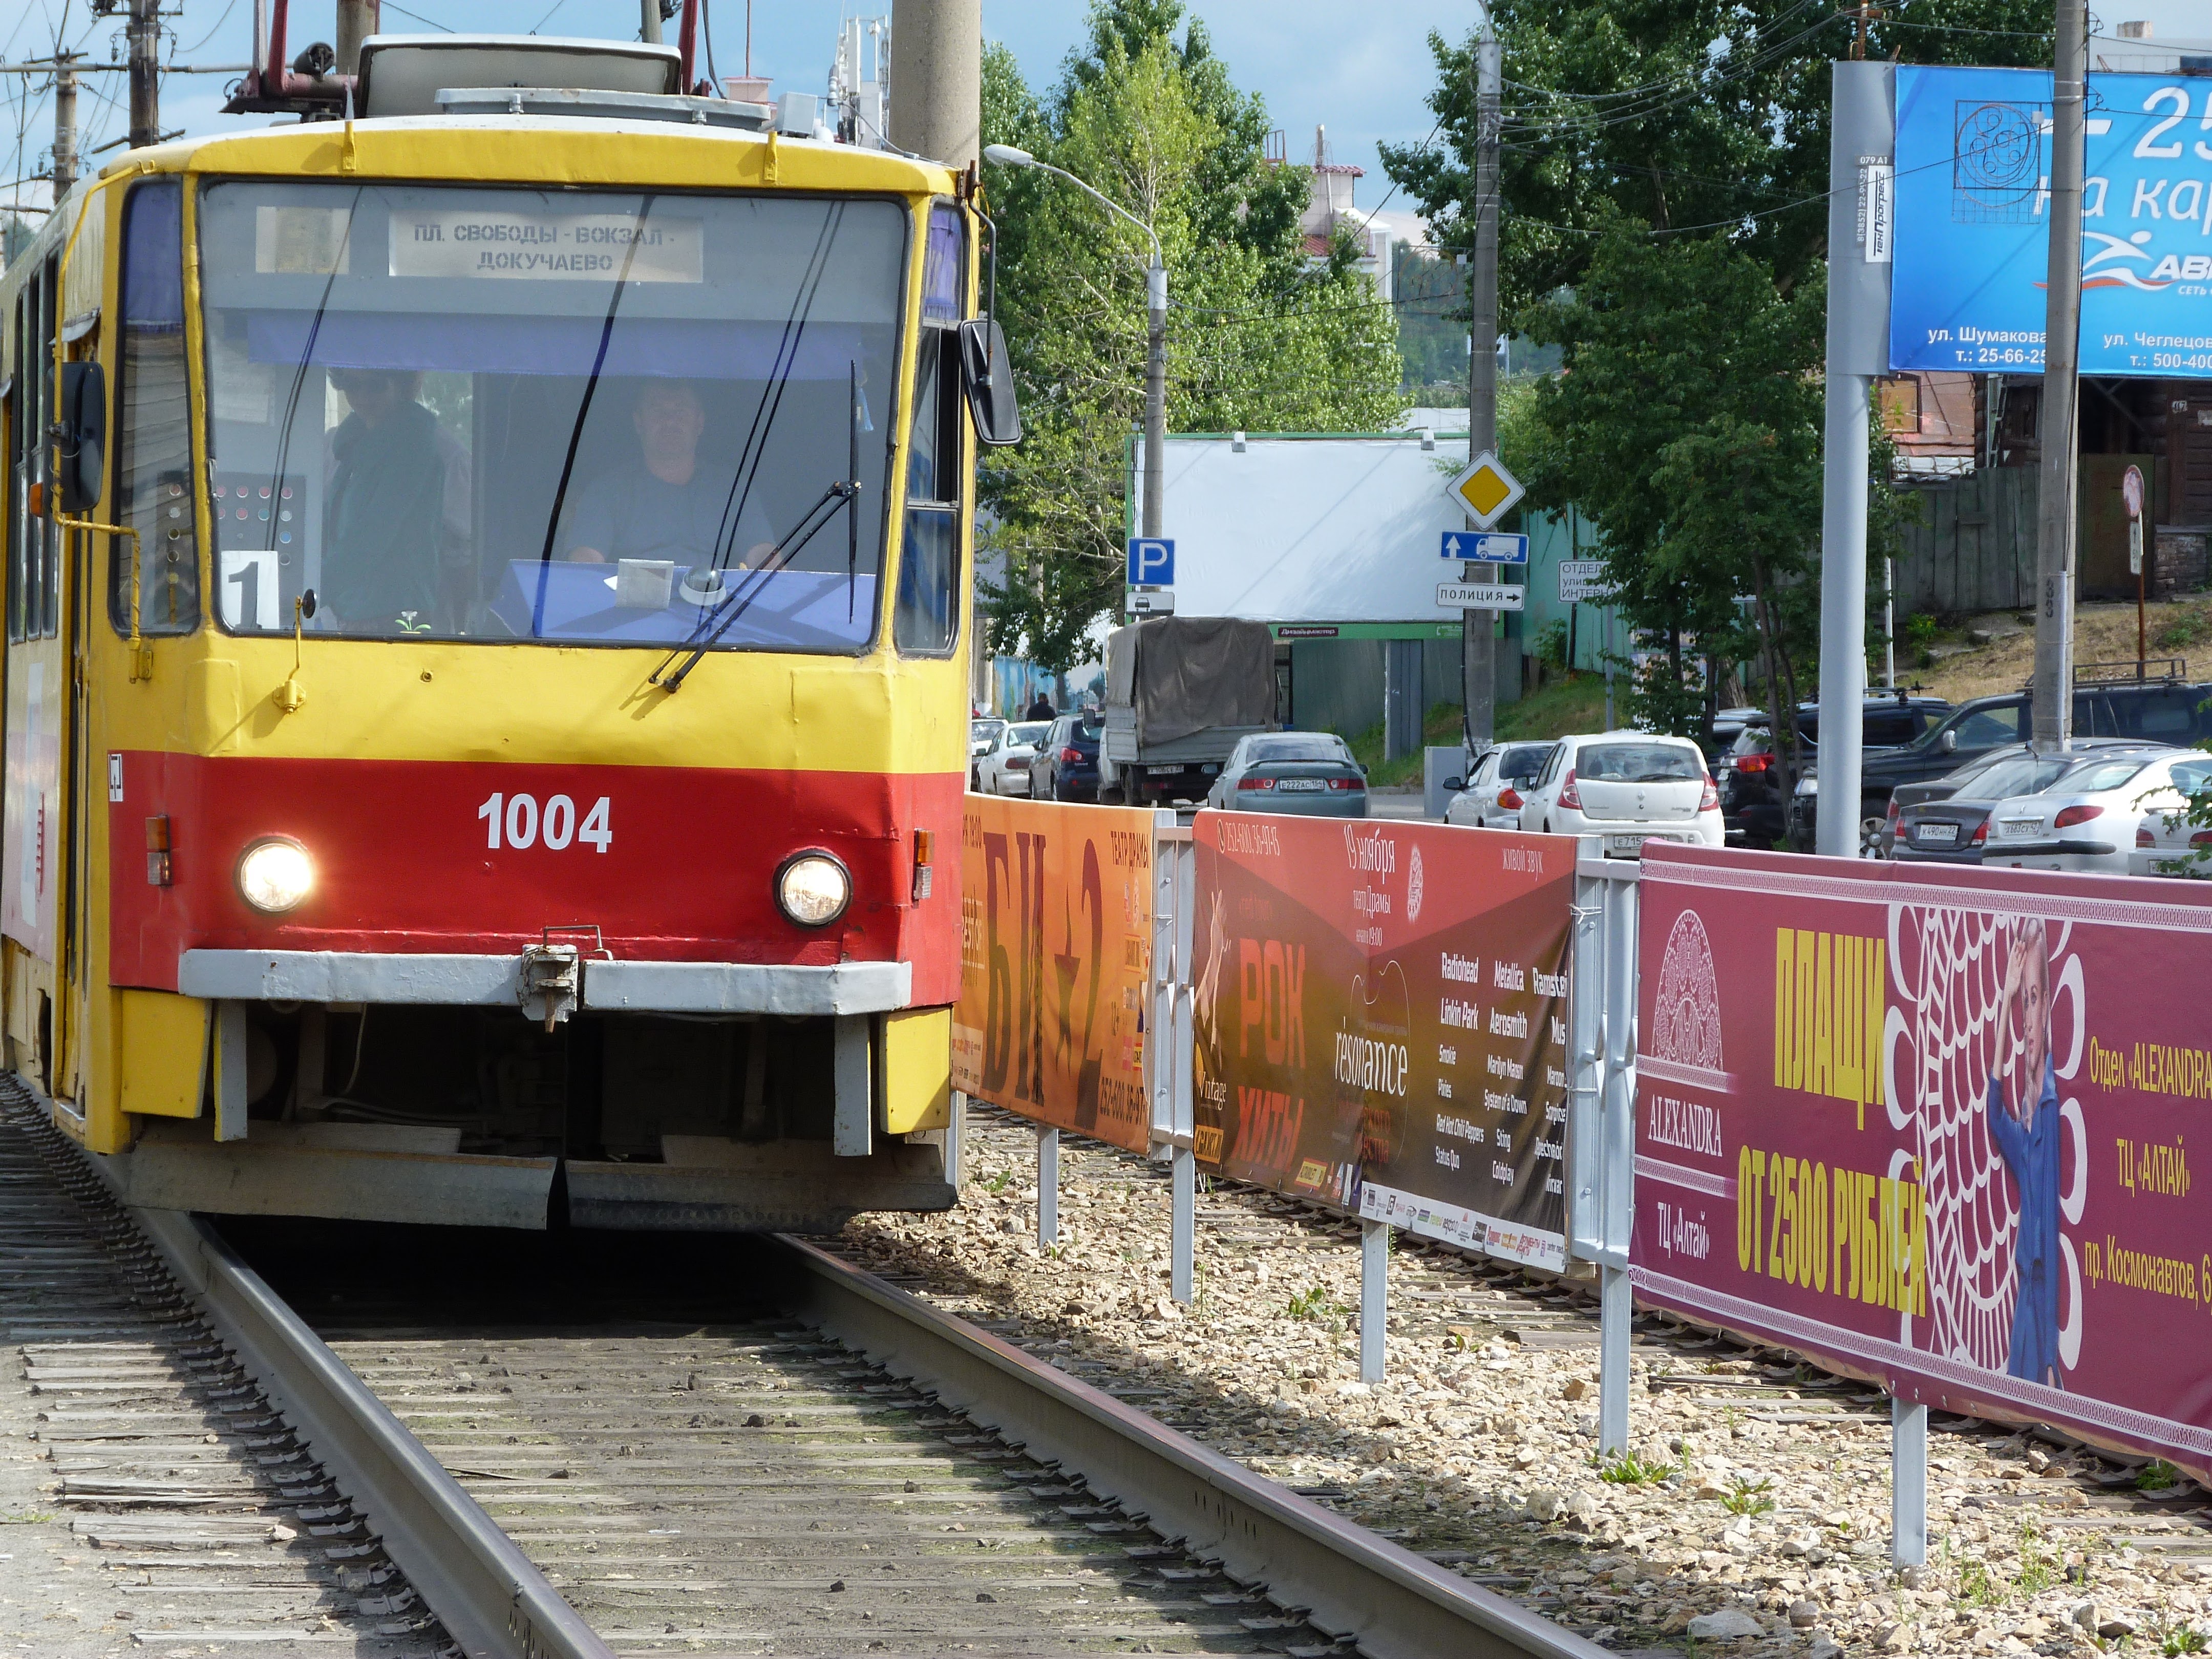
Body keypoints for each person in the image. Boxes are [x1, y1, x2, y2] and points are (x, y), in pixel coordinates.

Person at [563, 381, 775, 572]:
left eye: (681, 411)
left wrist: (779, 583)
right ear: (639, 423)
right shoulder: (607, 491)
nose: (670, 421)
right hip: (631, 602)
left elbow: (764, 555)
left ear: (699, 423)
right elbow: (584, 565)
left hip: (718, 602)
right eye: (657, 410)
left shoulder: (731, 489)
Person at [321, 368, 469, 632]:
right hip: (350, 609)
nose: (363, 397)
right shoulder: (346, 444)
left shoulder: (414, 446)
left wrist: (312, 587)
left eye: (376, 386)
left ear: (403, 385)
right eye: (352, 385)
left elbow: (372, 536)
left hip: (396, 616)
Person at [1985, 925, 2062, 1388]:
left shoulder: (2050, 1109)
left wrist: (2050, 1353)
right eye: (2024, 1005)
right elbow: (1995, 1117)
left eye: (2035, 999)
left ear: (2049, 1006)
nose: (2028, 1021)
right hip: (2023, 1321)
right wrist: (2006, 1000)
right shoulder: (2030, 1121)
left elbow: (2050, 1237)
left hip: (2040, 1329)